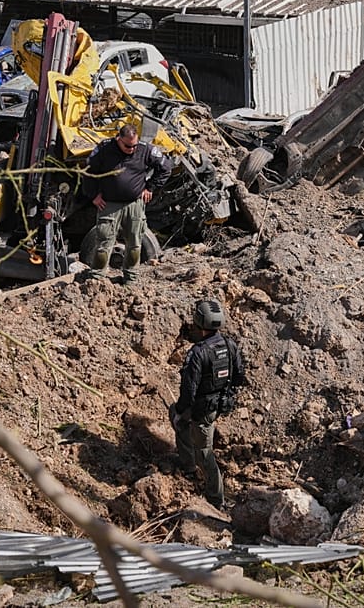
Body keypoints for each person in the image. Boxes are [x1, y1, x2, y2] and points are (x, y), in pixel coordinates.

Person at [172, 299, 246, 509]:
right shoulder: (230, 345)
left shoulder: (198, 352)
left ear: (199, 322)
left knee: (205, 452)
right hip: (220, 403)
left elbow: (189, 390)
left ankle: (216, 499)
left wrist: (180, 411)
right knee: (184, 425)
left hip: (202, 410)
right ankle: (188, 465)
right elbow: (240, 376)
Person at [80, 124, 172, 284]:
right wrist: (93, 195)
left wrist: (150, 188)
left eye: (134, 145)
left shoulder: (145, 150)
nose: (132, 149)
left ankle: (131, 279)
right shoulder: (104, 149)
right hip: (109, 205)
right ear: (118, 139)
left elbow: (165, 168)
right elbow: (88, 170)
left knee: (135, 243)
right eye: (127, 146)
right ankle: (96, 278)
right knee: (104, 243)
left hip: (134, 204)